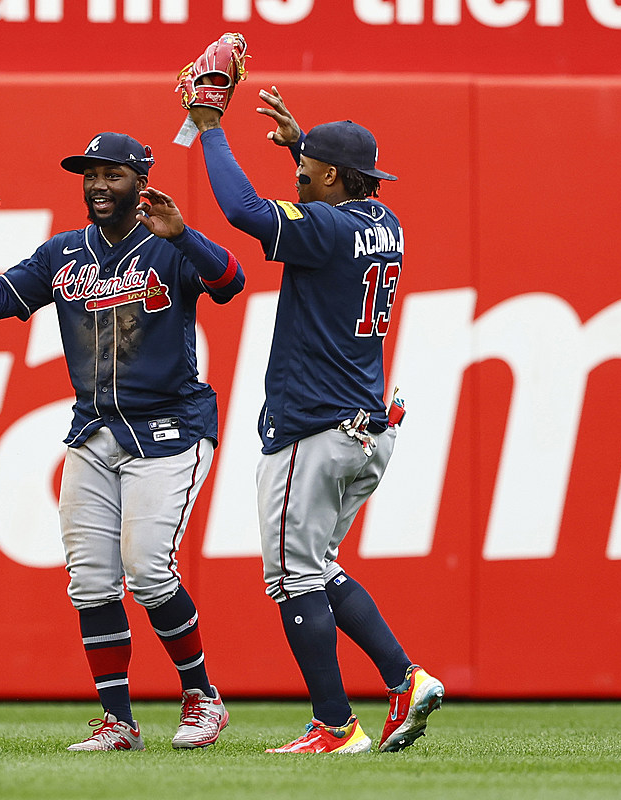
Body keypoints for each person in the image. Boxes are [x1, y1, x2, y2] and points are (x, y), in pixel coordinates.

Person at [0, 132, 245, 751]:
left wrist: (184, 235)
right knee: (92, 581)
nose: (98, 185)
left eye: (113, 174)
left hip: (170, 427)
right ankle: (118, 722)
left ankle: (202, 698)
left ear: (140, 181)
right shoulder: (64, 252)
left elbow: (230, 281)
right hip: (94, 430)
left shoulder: (169, 244)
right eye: (90, 174)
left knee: (149, 571)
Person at [186, 89, 444, 754]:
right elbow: (329, 208)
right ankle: (403, 678)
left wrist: (211, 127)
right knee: (318, 564)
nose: (298, 173)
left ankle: (335, 725)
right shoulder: (387, 221)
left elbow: (244, 211)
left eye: (309, 168)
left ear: (332, 177)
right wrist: (308, 149)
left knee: (291, 577)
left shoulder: (327, 229)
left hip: (315, 427)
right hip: (368, 431)